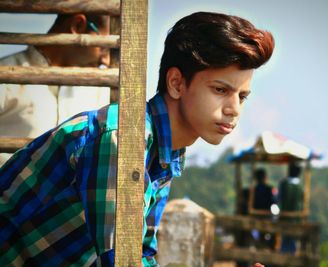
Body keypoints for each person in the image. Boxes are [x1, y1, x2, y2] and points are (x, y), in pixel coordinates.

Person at [0, 12, 275, 266]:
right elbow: (122, 261)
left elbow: (142, 255)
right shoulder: (122, 139)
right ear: (177, 83)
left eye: (241, 96)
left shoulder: (166, 152)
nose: (234, 109)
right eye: (219, 90)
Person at [0, 14, 111, 165]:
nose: (106, 60)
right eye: (104, 47)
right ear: (77, 27)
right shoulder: (5, 77)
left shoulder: (100, 88)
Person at [278, 162, 304, 254]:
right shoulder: (300, 186)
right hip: (295, 219)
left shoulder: (284, 184)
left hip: (284, 218)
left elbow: (279, 199)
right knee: (293, 243)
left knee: (284, 242)